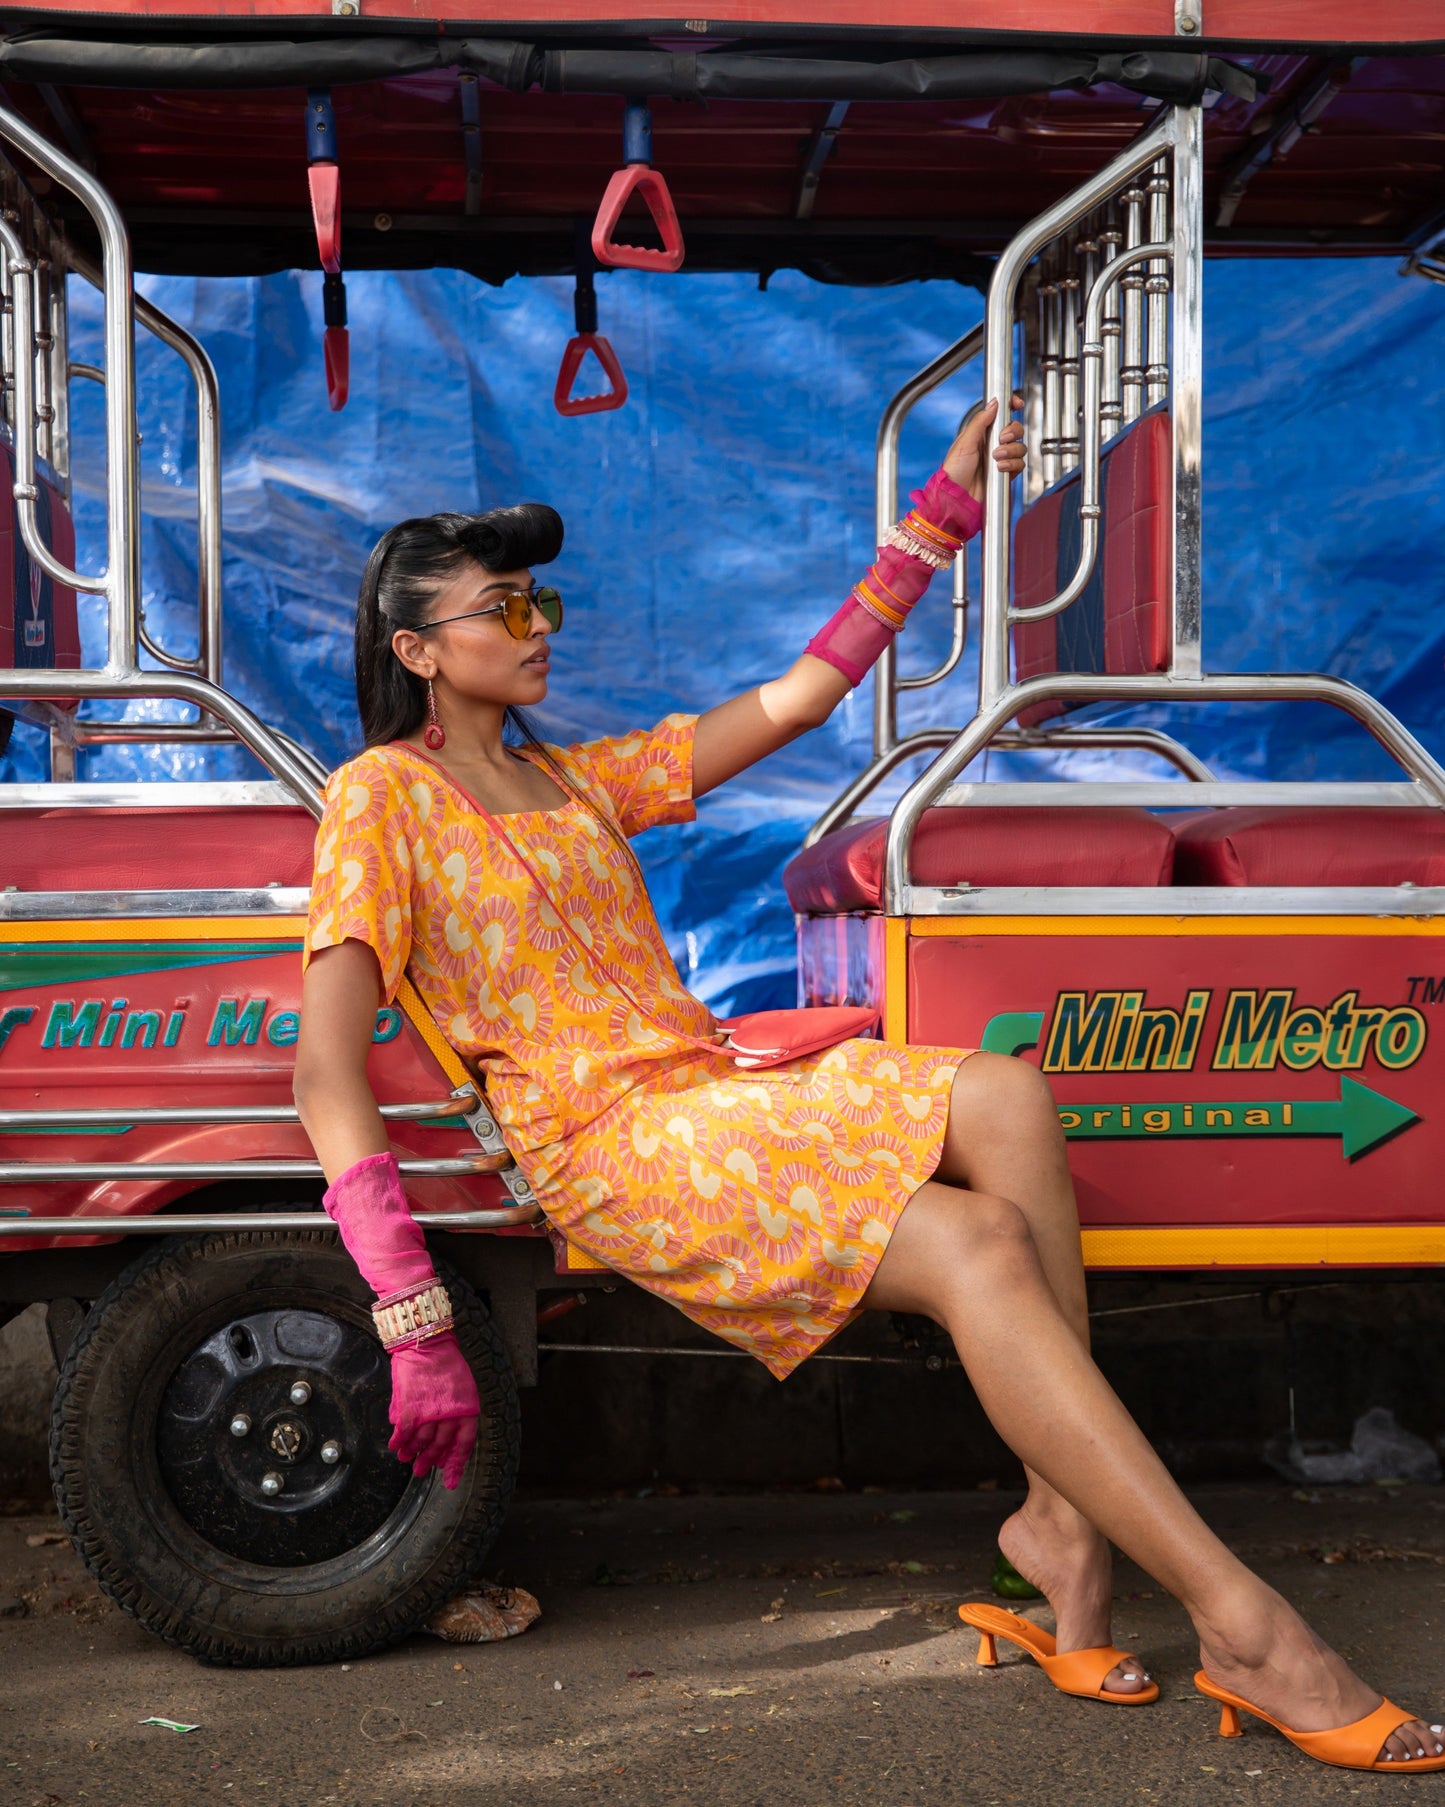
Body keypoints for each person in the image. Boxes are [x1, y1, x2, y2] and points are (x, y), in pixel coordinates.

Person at [295, 400, 1441, 1776]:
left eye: (540, 597)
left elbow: (803, 695)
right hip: (614, 1143)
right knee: (975, 1242)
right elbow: (327, 1067)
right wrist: (408, 1308)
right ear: (417, 650)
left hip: (712, 1090)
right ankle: (1245, 1626)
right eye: (502, 606)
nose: (537, 623)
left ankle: (1062, 1537)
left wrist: (941, 514)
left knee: (1006, 1093)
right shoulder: (378, 799)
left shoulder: (576, 781)